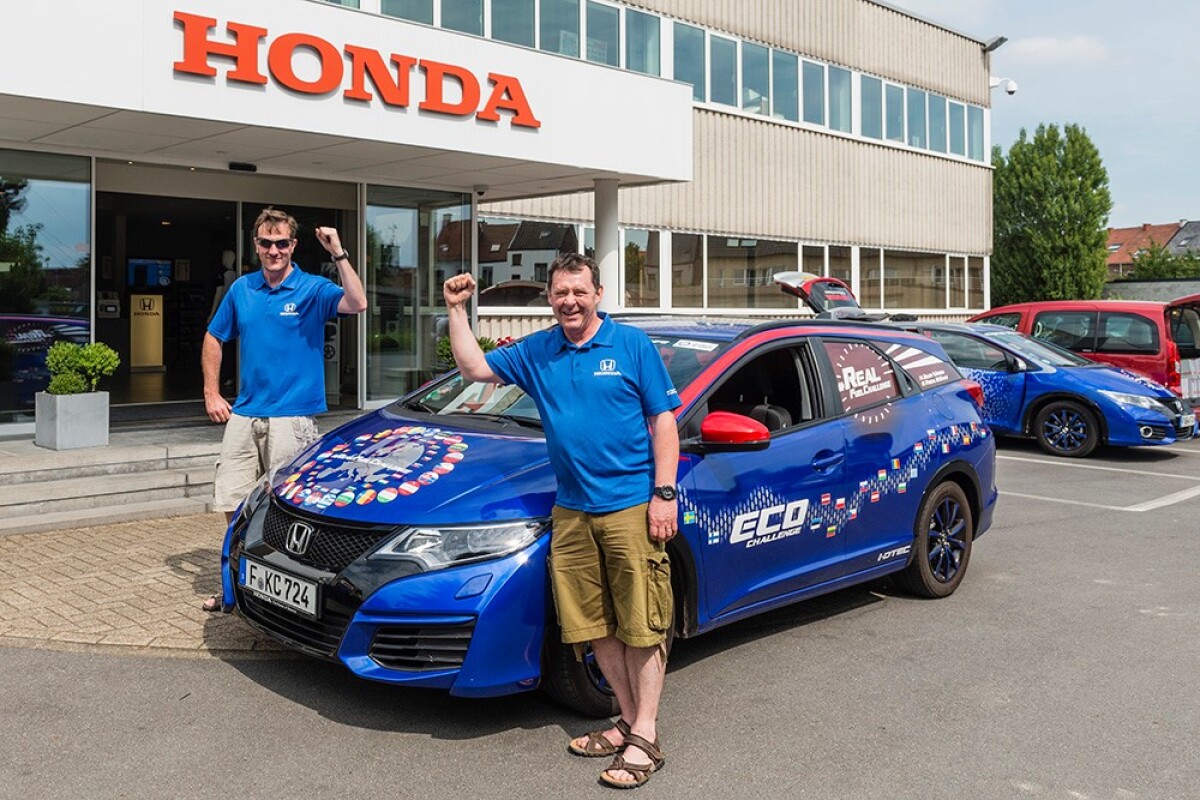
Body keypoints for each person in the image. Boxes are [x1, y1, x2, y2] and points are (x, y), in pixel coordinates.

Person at [443, 253, 680, 790]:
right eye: (560, 293)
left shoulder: (631, 346)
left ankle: (646, 733)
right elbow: (474, 370)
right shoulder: (540, 350)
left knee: (641, 623)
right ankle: (626, 721)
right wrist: (457, 310)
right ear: (549, 299)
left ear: (598, 294)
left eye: (579, 291)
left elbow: (662, 420)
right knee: (592, 626)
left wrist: (663, 494)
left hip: (628, 507)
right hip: (571, 511)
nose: (569, 301)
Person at [201, 207, 367, 612]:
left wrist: (339, 253)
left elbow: (357, 302)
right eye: (265, 243)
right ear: (256, 246)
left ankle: (284, 589)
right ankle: (236, 582)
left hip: (291, 417)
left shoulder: (312, 289)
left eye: (281, 243)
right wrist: (211, 393)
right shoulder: (243, 289)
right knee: (232, 500)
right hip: (245, 412)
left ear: (293, 246)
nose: (273, 250)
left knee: (288, 505)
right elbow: (213, 337)